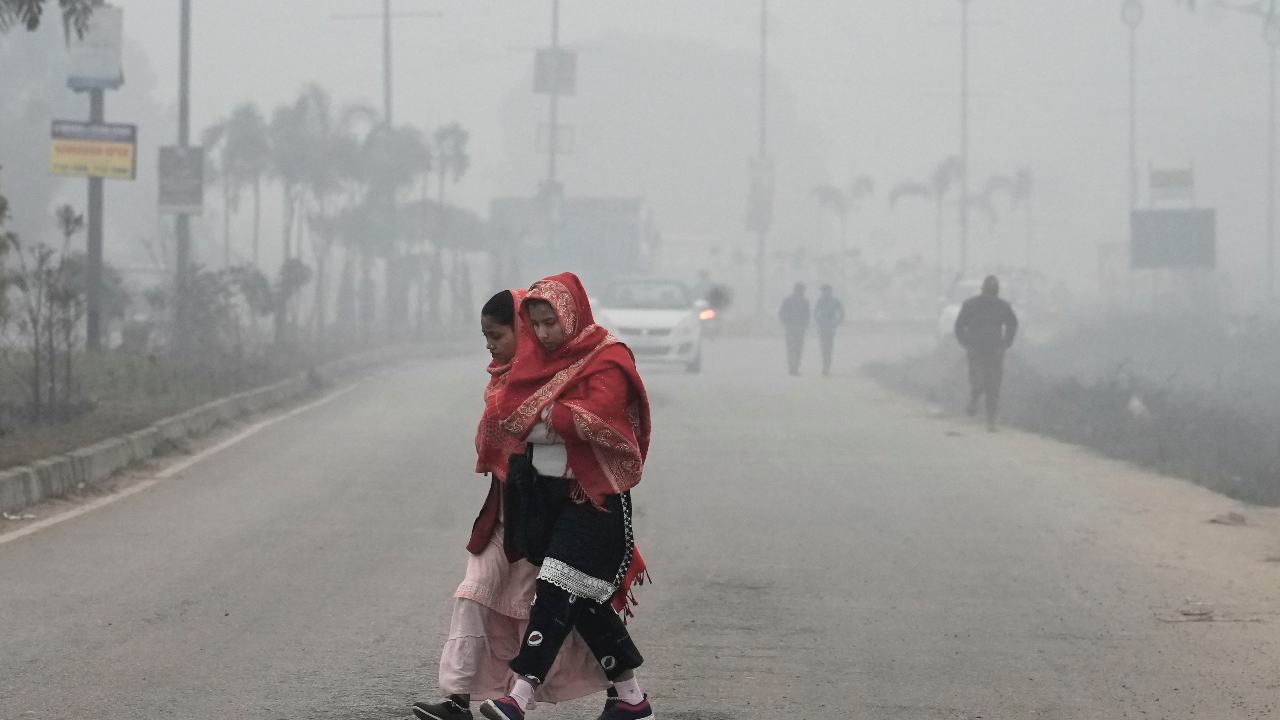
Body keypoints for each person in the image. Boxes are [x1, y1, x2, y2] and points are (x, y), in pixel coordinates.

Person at [413, 290, 611, 720]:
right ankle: (456, 697)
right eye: (484, 335)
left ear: (520, 334)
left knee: (552, 608)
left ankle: (620, 688)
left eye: (496, 335)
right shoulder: (503, 378)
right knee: (473, 594)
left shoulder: (555, 376)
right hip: (502, 508)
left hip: (542, 514)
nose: (489, 344)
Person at [481, 272, 654, 720]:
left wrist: (548, 416)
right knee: (582, 599)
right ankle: (631, 699)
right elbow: (508, 417)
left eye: (550, 323)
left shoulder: (608, 358)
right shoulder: (532, 361)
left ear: (572, 315)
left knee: (555, 588)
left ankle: (518, 696)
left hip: (592, 498)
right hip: (542, 499)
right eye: (534, 325)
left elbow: (603, 418)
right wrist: (550, 418)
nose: (541, 334)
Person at [954, 275, 1019, 431]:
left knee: (993, 387)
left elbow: (1012, 325)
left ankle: (990, 421)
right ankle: (974, 402)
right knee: (979, 383)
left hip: (994, 352)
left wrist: (1005, 344)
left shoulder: (1003, 307)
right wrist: (966, 343)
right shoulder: (971, 305)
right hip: (976, 351)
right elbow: (959, 326)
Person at [812, 284, 845, 377]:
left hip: (831, 325)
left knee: (829, 347)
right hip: (823, 326)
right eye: (823, 291)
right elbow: (815, 312)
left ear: (829, 291)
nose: (824, 292)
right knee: (824, 347)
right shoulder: (820, 300)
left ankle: (827, 367)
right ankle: (825, 367)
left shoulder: (834, 301)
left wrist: (838, 322)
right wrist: (818, 321)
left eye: (825, 290)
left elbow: (842, 312)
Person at [778, 282, 811, 376]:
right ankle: (793, 367)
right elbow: (782, 312)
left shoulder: (802, 301)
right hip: (792, 327)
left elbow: (807, 315)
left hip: (797, 327)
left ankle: (794, 367)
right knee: (794, 348)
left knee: (796, 348)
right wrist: (785, 322)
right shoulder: (793, 300)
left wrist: (805, 324)